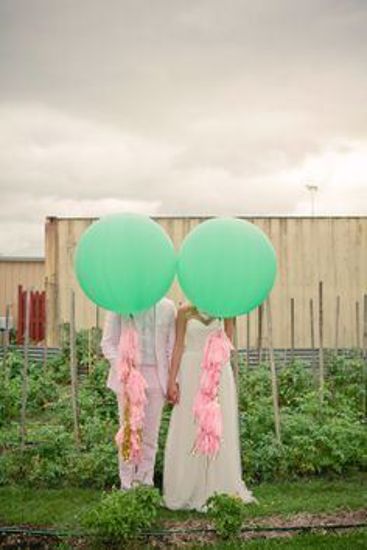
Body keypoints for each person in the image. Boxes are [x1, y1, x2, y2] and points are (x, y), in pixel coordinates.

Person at [163, 304, 255, 511]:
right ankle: (189, 487)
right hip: (191, 371)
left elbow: (228, 344)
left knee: (217, 427)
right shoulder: (184, 311)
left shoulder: (226, 309)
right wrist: (172, 380)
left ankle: (218, 486)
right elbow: (178, 346)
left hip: (216, 372)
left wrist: (214, 367)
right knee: (190, 426)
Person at [101, 297, 176, 490]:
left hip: (157, 378)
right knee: (128, 431)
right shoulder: (119, 304)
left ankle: (145, 484)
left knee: (150, 435)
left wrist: (173, 381)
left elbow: (171, 347)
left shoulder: (168, 307)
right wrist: (124, 370)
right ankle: (126, 485)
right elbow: (107, 344)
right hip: (128, 377)